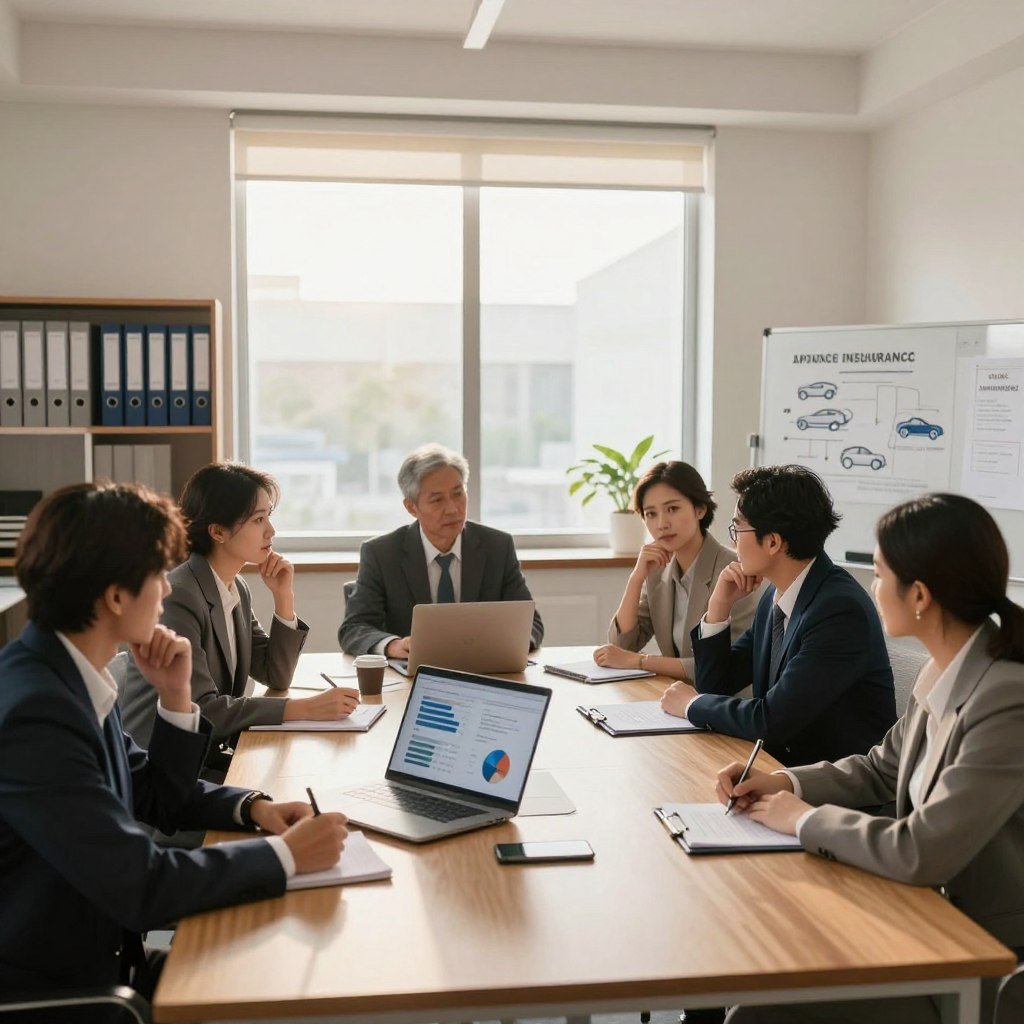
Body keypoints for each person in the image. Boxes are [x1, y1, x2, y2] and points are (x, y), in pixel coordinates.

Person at [0, 482, 347, 996]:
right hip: (63, 991)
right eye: (157, 576)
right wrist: (286, 856)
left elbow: (153, 791)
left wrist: (251, 807)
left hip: (104, 955)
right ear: (115, 596)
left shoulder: (61, 673)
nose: (167, 589)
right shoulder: (36, 711)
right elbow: (141, 884)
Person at [718, 493, 1024, 1023]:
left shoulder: (1005, 698)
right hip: (923, 916)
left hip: (983, 953)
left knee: (762, 1010)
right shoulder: (944, 670)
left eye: (879, 574)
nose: (872, 587)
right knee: (764, 951)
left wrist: (805, 821)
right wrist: (785, 783)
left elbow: (924, 849)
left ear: (921, 595)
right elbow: (882, 766)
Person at [121, 463, 358, 767]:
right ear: (218, 531)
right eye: (259, 519)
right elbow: (202, 709)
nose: (271, 531)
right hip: (164, 768)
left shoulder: (235, 587)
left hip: (209, 754)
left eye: (268, 517)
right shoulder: (180, 594)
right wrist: (303, 708)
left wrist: (283, 598)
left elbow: (275, 674)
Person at [663, 465, 895, 767]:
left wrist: (691, 705)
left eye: (738, 529)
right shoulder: (777, 595)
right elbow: (716, 684)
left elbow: (770, 719)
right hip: (783, 768)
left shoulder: (838, 610)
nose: (733, 541)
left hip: (836, 787)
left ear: (772, 542)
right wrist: (719, 605)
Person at [339, 443, 544, 657]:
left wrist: (507, 647)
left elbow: (532, 624)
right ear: (411, 507)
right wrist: (394, 646)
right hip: (413, 677)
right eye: (437, 500)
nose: (452, 509)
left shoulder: (497, 547)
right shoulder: (382, 553)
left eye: (458, 494)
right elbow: (354, 628)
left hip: (485, 671)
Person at [594, 461, 759, 680]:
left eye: (672, 509)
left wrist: (639, 662)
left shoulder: (734, 572)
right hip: (674, 698)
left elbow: (722, 666)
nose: (662, 524)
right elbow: (622, 645)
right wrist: (636, 579)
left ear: (700, 509)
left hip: (726, 702)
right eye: (651, 514)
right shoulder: (657, 571)